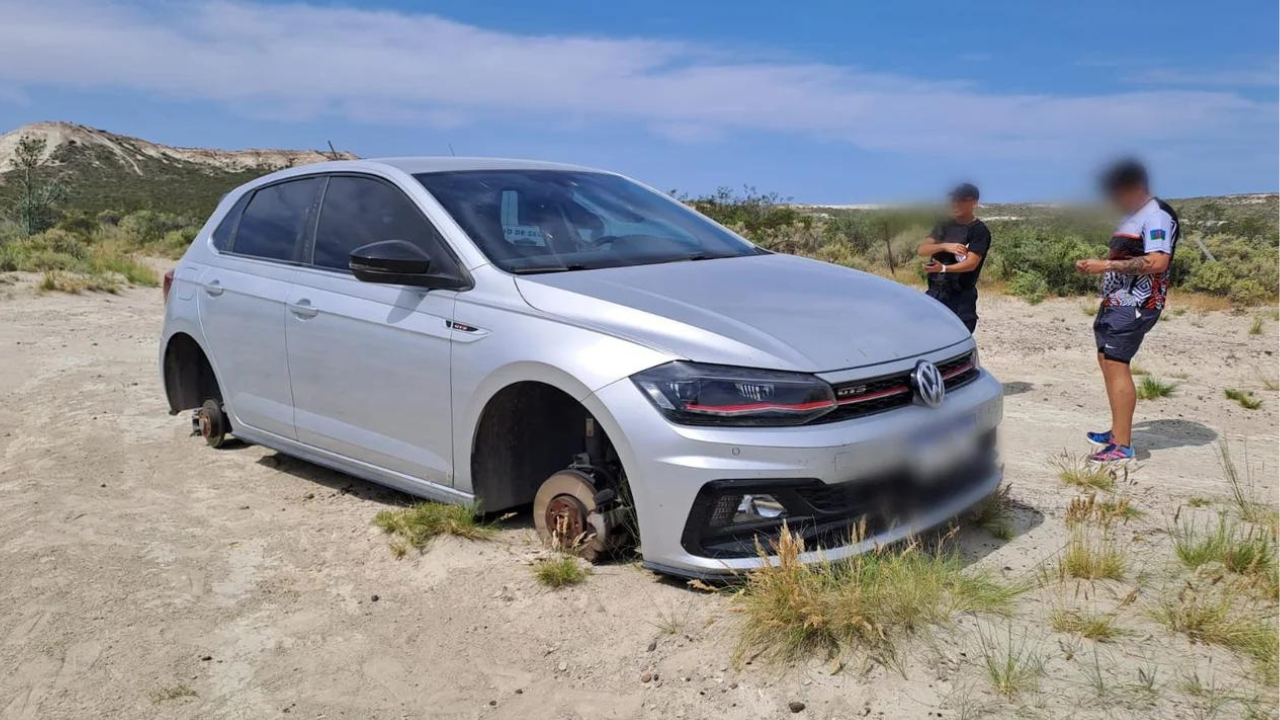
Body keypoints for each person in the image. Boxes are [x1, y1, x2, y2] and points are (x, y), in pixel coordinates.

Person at [1074, 160, 1179, 464]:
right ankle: (1117, 431)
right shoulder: (1133, 216)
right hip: (1116, 301)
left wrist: (1104, 265)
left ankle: (1123, 446)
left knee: (1117, 364)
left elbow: (1158, 262)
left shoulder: (1156, 216)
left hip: (1137, 304)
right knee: (1107, 360)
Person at [918, 183, 991, 332]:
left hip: (961, 298)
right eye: (954, 200)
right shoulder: (943, 226)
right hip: (935, 293)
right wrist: (945, 246)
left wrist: (944, 268)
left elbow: (971, 263)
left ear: (974, 203)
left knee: (958, 342)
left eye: (962, 200)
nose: (956, 204)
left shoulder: (979, 231)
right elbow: (922, 249)